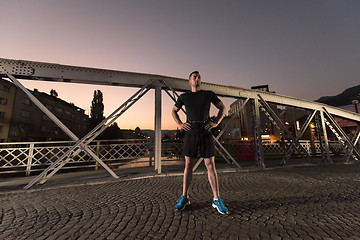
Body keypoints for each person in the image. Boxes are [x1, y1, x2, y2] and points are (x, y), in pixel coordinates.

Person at [171, 71, 229, 214]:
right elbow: (173, 111)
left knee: (210, 165)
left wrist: (215, 123)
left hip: (205, 132)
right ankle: (184, 197)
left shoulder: (208, 94)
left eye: (199, 77)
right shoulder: (184, 96)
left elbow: (222, 108)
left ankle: (216, 199)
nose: (197, 79)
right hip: (190, 132)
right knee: (188, 165)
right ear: (189, 81)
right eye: (194, 77)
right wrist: (179, 124)